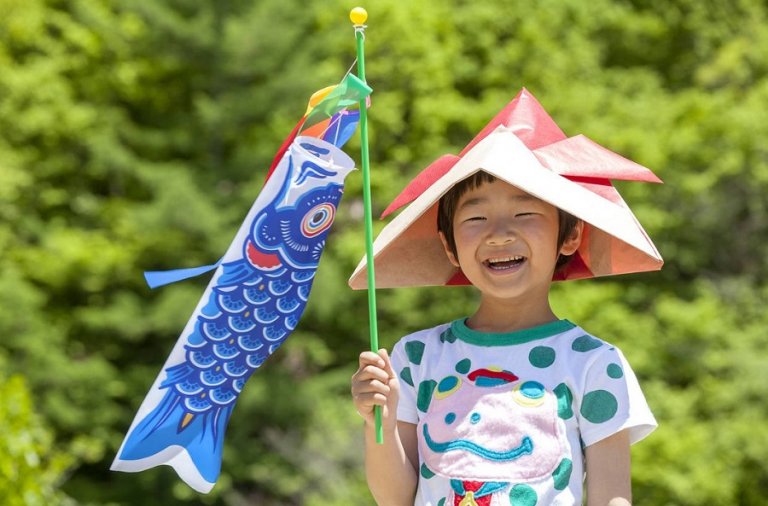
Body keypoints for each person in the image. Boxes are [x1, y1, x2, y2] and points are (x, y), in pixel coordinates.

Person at [350, 89, 662, 506]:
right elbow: (396, 498)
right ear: (449, 245)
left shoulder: (595, 362)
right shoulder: (416, 357)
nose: (499, 233)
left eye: (525, 213)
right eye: (476, 218)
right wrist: (381, 428)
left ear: (569, 235)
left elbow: (612, 496)